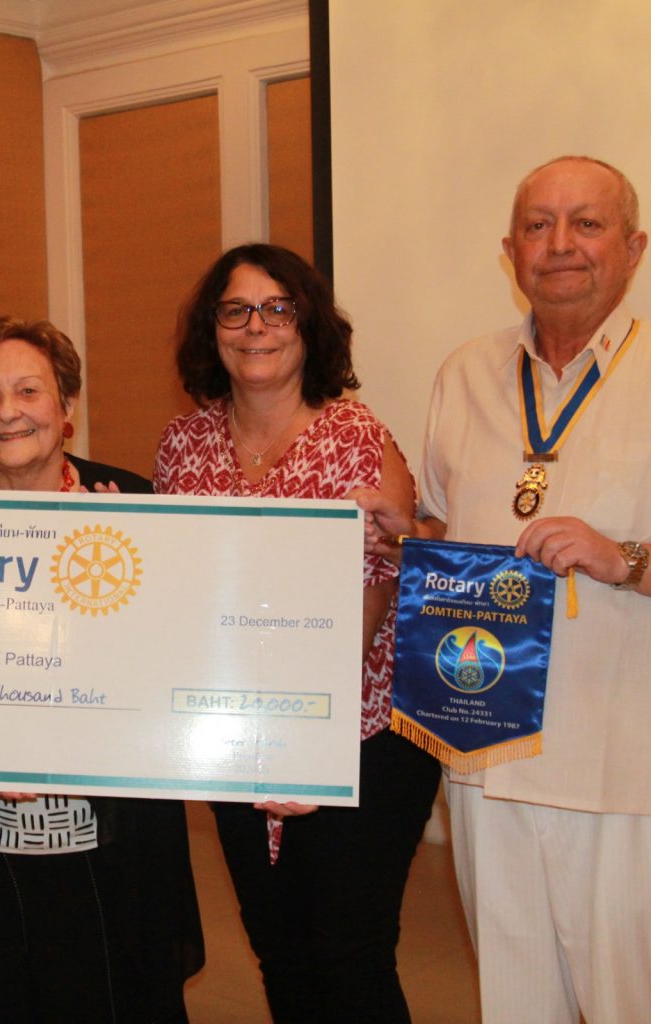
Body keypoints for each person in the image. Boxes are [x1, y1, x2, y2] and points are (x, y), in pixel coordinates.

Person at [357, 155, 651, 1023]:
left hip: (629, 770)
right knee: (514, 1008)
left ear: (633, 248)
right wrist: (411, 537)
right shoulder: (465, 373)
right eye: (538, 225)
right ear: (510, 251)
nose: (560, 243)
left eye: (587, 223)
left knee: (628, 1008)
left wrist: (625, 558)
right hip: (488, 758)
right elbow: (459, 535)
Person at [154, 244, 441, 1022]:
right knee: (278, 949)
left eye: (278, 308)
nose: (257, 327)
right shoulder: (182, 446)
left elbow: (377, 589)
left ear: (309, 326)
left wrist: (298, 735)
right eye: (236, 310)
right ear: (212, 329)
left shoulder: (357, 437)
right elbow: (176, 589)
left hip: (360, 735)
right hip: (235, 738)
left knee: (350, 954)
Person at [0, 316, 205, 1023]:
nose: (7, 412)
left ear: (66, 406)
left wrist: (145, 577)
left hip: (112, 828)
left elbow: (183, 658)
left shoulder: (136, 505)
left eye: (28, 391)